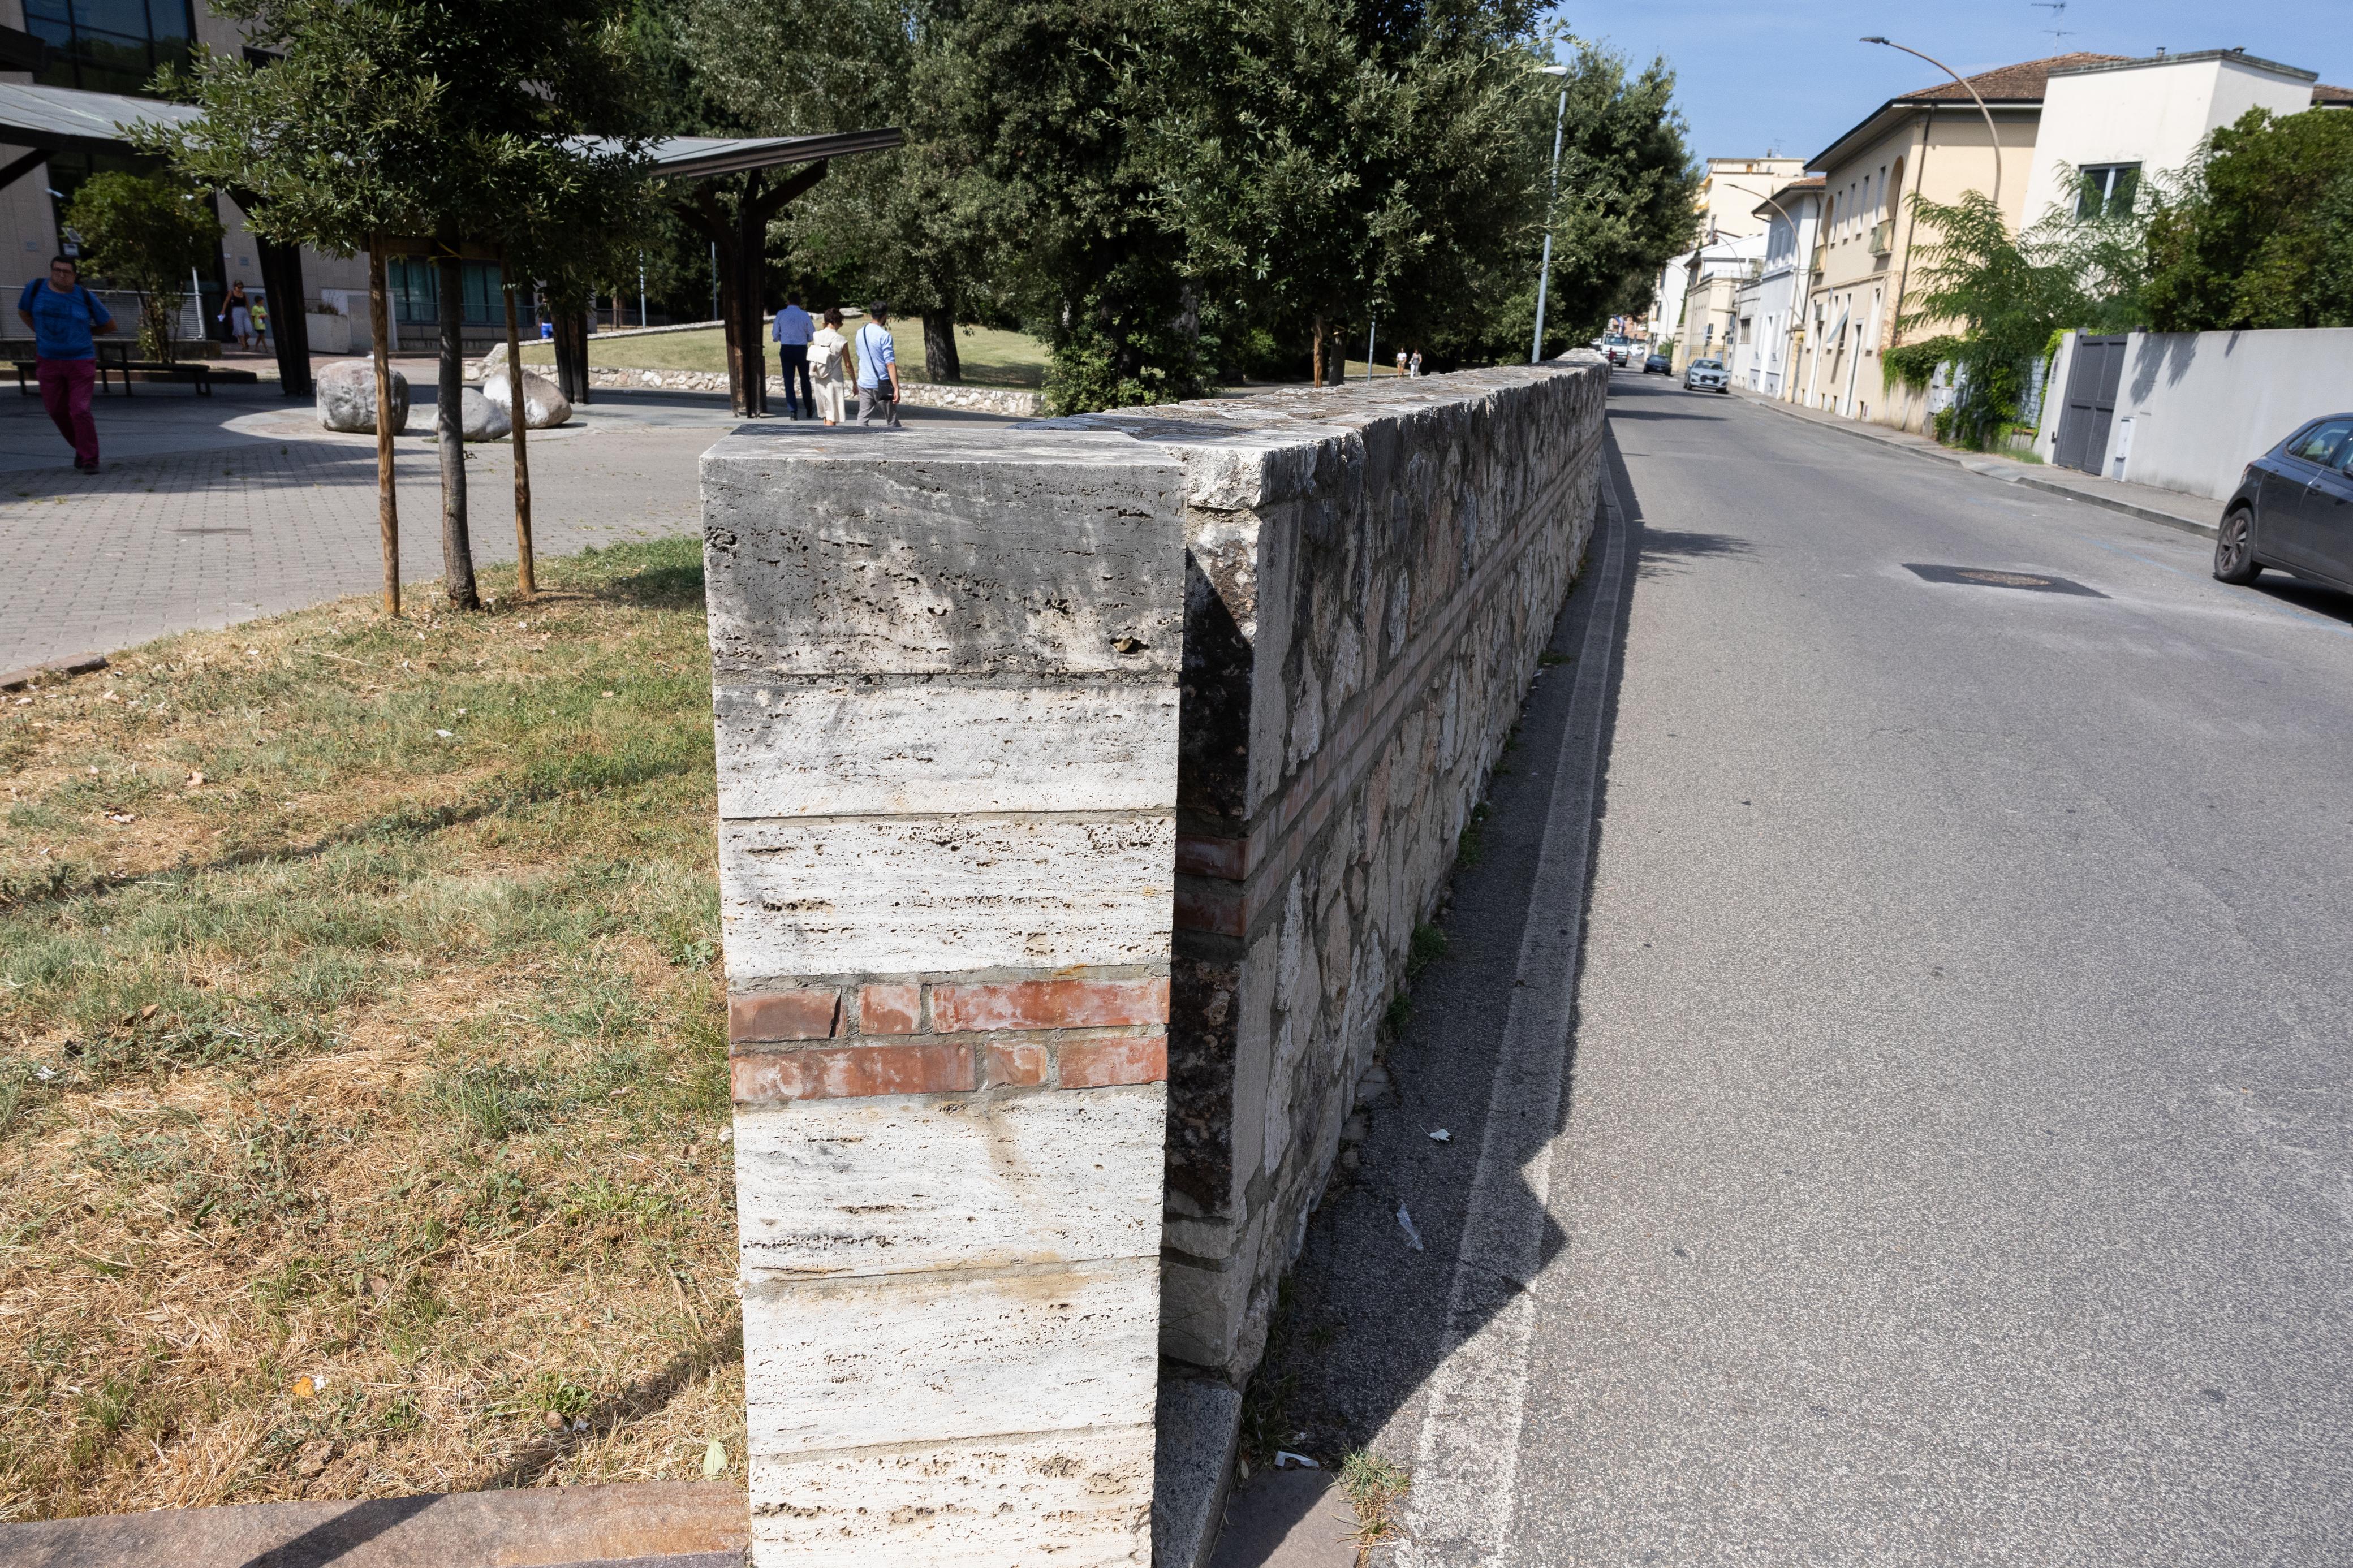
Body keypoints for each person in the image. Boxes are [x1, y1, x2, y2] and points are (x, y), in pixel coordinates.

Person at [16, 254, 115, 472]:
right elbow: (24, 312)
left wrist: (85, 333)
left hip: (80, 361)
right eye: (57, 270)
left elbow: (109, 324)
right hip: (48, 360)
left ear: (75, 275)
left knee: (79, 410)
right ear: (51, 271)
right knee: (56, 410)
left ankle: (90, 459)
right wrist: (39, 331)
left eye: (67, 271)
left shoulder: (85, 296)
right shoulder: (36, 289)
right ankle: (82, 448)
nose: (61, 274)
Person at [854, 302, 900, 429]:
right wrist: (896, 387)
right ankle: (898, 444)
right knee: (892, 420)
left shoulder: (860, 333)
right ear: (885, 316)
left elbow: (860, 355)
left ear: (871, 315)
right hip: (882, 384)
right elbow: (890, 363)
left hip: (864, 382)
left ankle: (858, 440)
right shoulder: (884, 336)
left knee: (862, 418)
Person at [772, 292, 814, 418]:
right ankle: (809, 407)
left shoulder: (781, 314)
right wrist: (805, 338)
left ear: (788, 301)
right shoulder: (804, 315)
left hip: (786, 348)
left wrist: (781, 338)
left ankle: (793, 410)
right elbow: (812, 334)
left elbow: (775, 334)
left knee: (788, 380)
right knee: (805, 379)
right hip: (801, 348)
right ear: (800, 302)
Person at [809, 306, 850, 426]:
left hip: (819, 374)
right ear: (837, 322)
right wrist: (854, 382)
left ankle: (824, 440)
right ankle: (828, 440)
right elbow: (848, 364)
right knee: (833, 412)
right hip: (834, 376)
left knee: (826, 411)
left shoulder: (816, 335)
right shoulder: (842, 340)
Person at [220, 280, 252, 351]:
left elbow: (247, 304)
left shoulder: (244, 294)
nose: (240, 289)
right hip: (236, 311)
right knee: (239, 329)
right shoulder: (231, 293)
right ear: (235, 287)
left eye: (241, 287)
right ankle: (244, 346)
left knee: (249, 329)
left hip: (244, 311)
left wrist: (250, 313)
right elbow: (226, 302)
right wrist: (223, 310)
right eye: (238, 287)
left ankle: (245, 342)